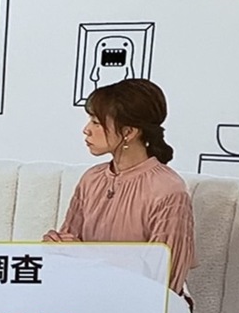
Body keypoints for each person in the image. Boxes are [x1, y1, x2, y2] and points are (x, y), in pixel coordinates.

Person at [44, 78, 195, 299]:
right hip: (90, 295)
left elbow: (164, 277)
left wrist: (86, 254)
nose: (86, 130)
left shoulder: (168, 189)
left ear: (128, 132)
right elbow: (69, 249)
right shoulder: (91, 179)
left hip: (146, 303)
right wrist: (56, 247)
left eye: (96, 122)